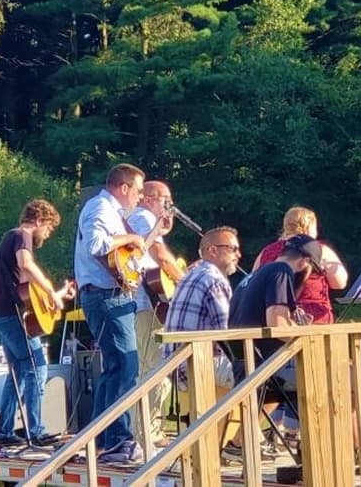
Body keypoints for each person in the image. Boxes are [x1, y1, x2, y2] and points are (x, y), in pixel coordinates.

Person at [74, 163, 149, 462]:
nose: (140, 198)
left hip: (109, 295)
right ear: (124, 187)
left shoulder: (109, 211)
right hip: (106, 296)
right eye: (139, 191)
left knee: (115, 369)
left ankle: (102, 438)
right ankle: (118, 439)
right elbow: (96, 244)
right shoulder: (101, 207)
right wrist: (130, 239)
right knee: (126, 366)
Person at [226, 234, 323, 455]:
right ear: (304, 261)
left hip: (245, 358)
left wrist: (294, 323)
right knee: (331, 377)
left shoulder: (258, 273)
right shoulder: (282, 272)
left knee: (275, 394)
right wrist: (306, 334)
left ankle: (240, 441)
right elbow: (276, 323)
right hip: (263, 362)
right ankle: (321, 450)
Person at [0, 199, 74, 447]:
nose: (47, 236)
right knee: (37, 366)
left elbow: (29, 293)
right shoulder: (21, 235)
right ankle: (36, 431)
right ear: (39, 220)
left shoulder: (10, 240)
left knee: (16, 374)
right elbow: (26, 264)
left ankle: (5, 432)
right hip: (12, 316)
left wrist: (57, 296)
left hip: (3, 315)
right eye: (48, 229)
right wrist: (50, 290)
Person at [162, 226, 241, 449]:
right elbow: (228, 332)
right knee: (266, 373)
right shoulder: (214, 279)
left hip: (178, 362)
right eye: (233, 248)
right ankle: (239, 442)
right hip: (197, 362)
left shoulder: (192, 274)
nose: (239, 254)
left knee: (249, 368)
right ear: (212, 251)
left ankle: (232, 440)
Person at [128, 181, 186, 447]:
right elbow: (160, 256)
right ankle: (146, 435)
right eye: (166, 199)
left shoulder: (148, 221)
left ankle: (150, 431)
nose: (170, 205)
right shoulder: (141, 216)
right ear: (149, 198)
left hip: (150, 304)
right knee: (153, 368)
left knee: (155, 368)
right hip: (144, 305)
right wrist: (186, 284)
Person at [252, 205, 348, 324]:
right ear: (308, 228)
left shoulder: (265, 252)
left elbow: (253, 285)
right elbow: (339, 283)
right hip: (313, 323)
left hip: (274, 320)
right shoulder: (319, 250)